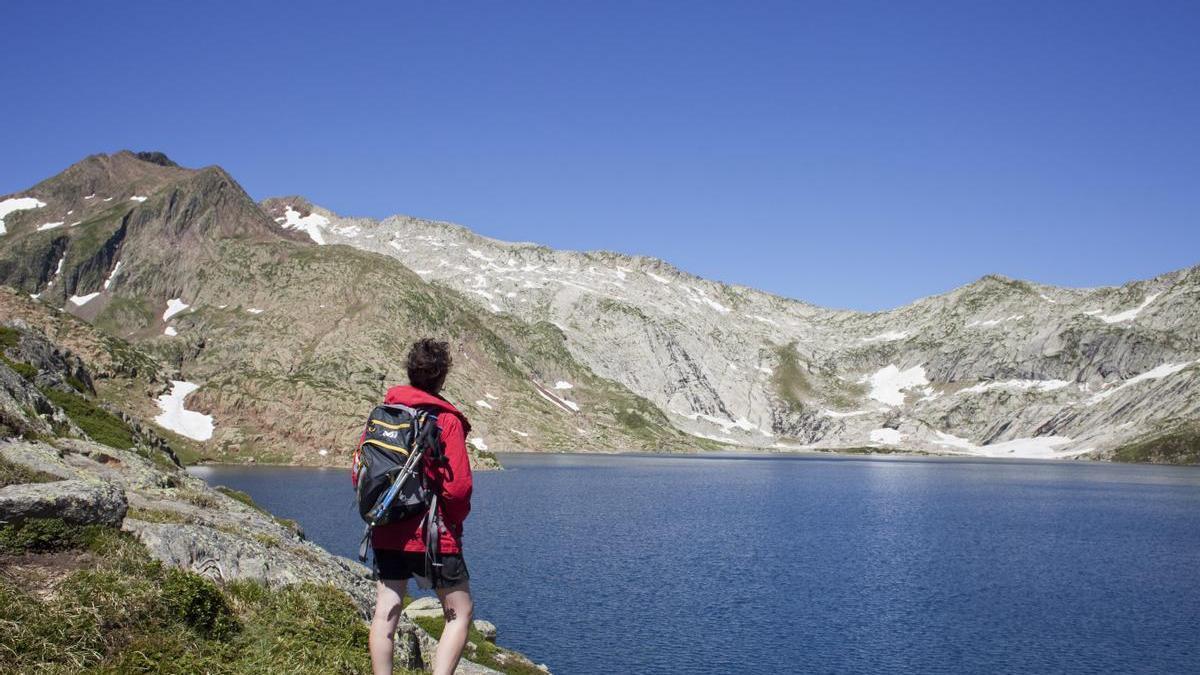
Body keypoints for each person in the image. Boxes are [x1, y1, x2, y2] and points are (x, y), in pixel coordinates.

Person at [366, 338, 474, 675]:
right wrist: (452, 525)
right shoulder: (446, 420)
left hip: (386, 528)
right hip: (432, 533)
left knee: (388, 606)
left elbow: (364, 470)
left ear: (411, 372)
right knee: (459, 611)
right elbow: (458, 490)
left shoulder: (386, 412)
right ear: (442, 377)